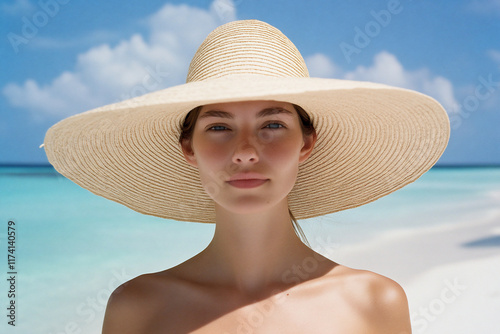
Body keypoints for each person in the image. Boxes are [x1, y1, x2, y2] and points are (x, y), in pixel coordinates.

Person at [43, 20, 450, 333]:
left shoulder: (375, 303)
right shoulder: (137, 307)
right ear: (189, 148)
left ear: (306, 143)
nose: (245, 151)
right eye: (219, 128)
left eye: (272, 124)